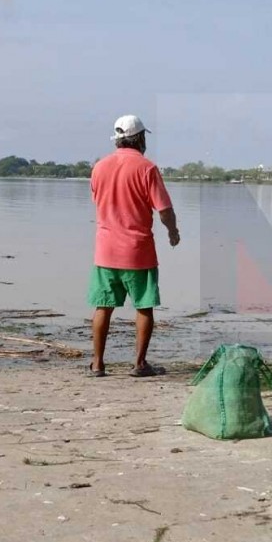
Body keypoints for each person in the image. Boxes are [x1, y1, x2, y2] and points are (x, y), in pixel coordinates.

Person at [87, 114, 180, 377]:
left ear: (117, 140)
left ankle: (97, 363)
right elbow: (164, 209)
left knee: (103, 306)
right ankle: (139, 364)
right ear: (139, 138)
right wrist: (173, 231)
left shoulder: (99, 167)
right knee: (144, 307)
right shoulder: (146, 168)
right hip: (137, 251)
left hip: (105, 251)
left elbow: (98, 200)